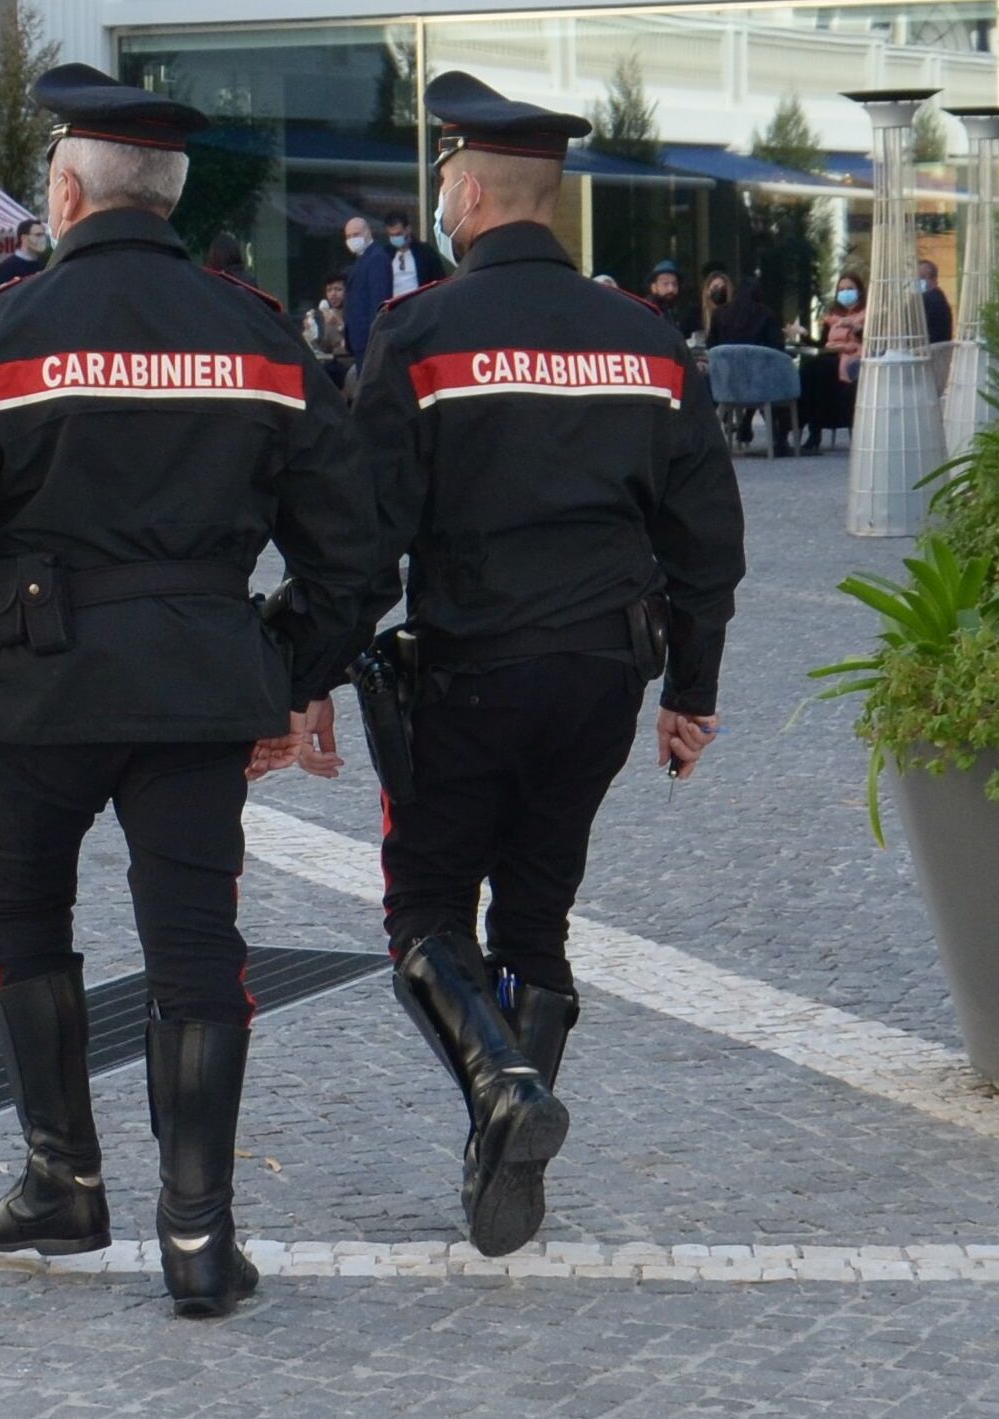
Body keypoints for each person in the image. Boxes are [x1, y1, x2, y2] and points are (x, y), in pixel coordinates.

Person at [0, 62, 375, 1319]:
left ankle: (62, 1180)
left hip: (38, 689)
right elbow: (355, 553)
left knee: (23, 918)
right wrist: (283, 670)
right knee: (197, 946)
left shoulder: (2, 329)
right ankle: (198, 1235)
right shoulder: (260, 332)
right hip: (198, 689)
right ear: (170, 196)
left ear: (69, 192)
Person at [341, 70, 745, 1258]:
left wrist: (305, 670)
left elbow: (364, 536)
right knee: (536, 914)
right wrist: (692, 692)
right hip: (603, 677)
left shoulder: (420, 334)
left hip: (468, 674)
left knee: (424, 908)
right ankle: (499, 1162)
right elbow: (708, 543)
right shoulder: (649, 340)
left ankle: (504, 1088)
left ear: (467, 195)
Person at [706, 273, 795, 455]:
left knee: (751, 376)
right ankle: (778, 437)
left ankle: (744, 421)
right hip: (761, 383)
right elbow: (777, 348)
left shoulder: (719, 314)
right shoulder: (766, 315)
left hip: (728, 383)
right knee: (771, 376)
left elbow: (711, 345)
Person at [793, 272, 867, 454]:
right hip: (830, 355)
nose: (845, 293)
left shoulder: (868, 314)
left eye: (849, 289)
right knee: (808, 370)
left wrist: (855, 328)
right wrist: (804, 335)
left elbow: (870, 340)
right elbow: (823, 344)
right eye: (841, 290)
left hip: (852, 356)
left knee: (821, 369)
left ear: (859, 291)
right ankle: (809, 427)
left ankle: (815, 432)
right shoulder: (832, 317)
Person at [343, 214, 393, 365]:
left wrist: (374, 336)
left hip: (368, 339)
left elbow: (378, 301)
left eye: (356, 234)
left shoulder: (376, 258)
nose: (352, 239)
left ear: (368, 232)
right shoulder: (363, 259)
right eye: (348, 236)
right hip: (359, 339)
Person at [302, 270, 352, 390]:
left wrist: (339, 324)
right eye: (329, 290)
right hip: (333, 363)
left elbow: (355, 341)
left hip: (349, 363)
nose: (333, 294)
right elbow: (324, 349)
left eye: (338, 289)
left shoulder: (353, 312)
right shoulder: (326, 315)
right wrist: (311, 334)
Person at [383, 209, 443, 297]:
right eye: (391, 235)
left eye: (398, 234)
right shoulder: (385, 255)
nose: (395, 238)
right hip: (393, 303)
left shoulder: (425, 253)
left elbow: (439, 280)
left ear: (408, 229)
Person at [646, 259, 701, 340]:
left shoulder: (677, 310)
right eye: (665, 284)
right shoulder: (648, 311)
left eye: (674, 284)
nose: (671, 289)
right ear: (653, 287)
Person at [0, 218, 50, 283]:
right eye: (38, 235)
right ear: (24, 238)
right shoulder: (8, 266)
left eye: (44, 235)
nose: (43, 239)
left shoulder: (43, 265)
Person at [919, 258, 953, 345]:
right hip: (936, 349)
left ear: (933, 279)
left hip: (927, 349)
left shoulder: (930, 299)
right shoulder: (939, 296)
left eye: (921, 278)